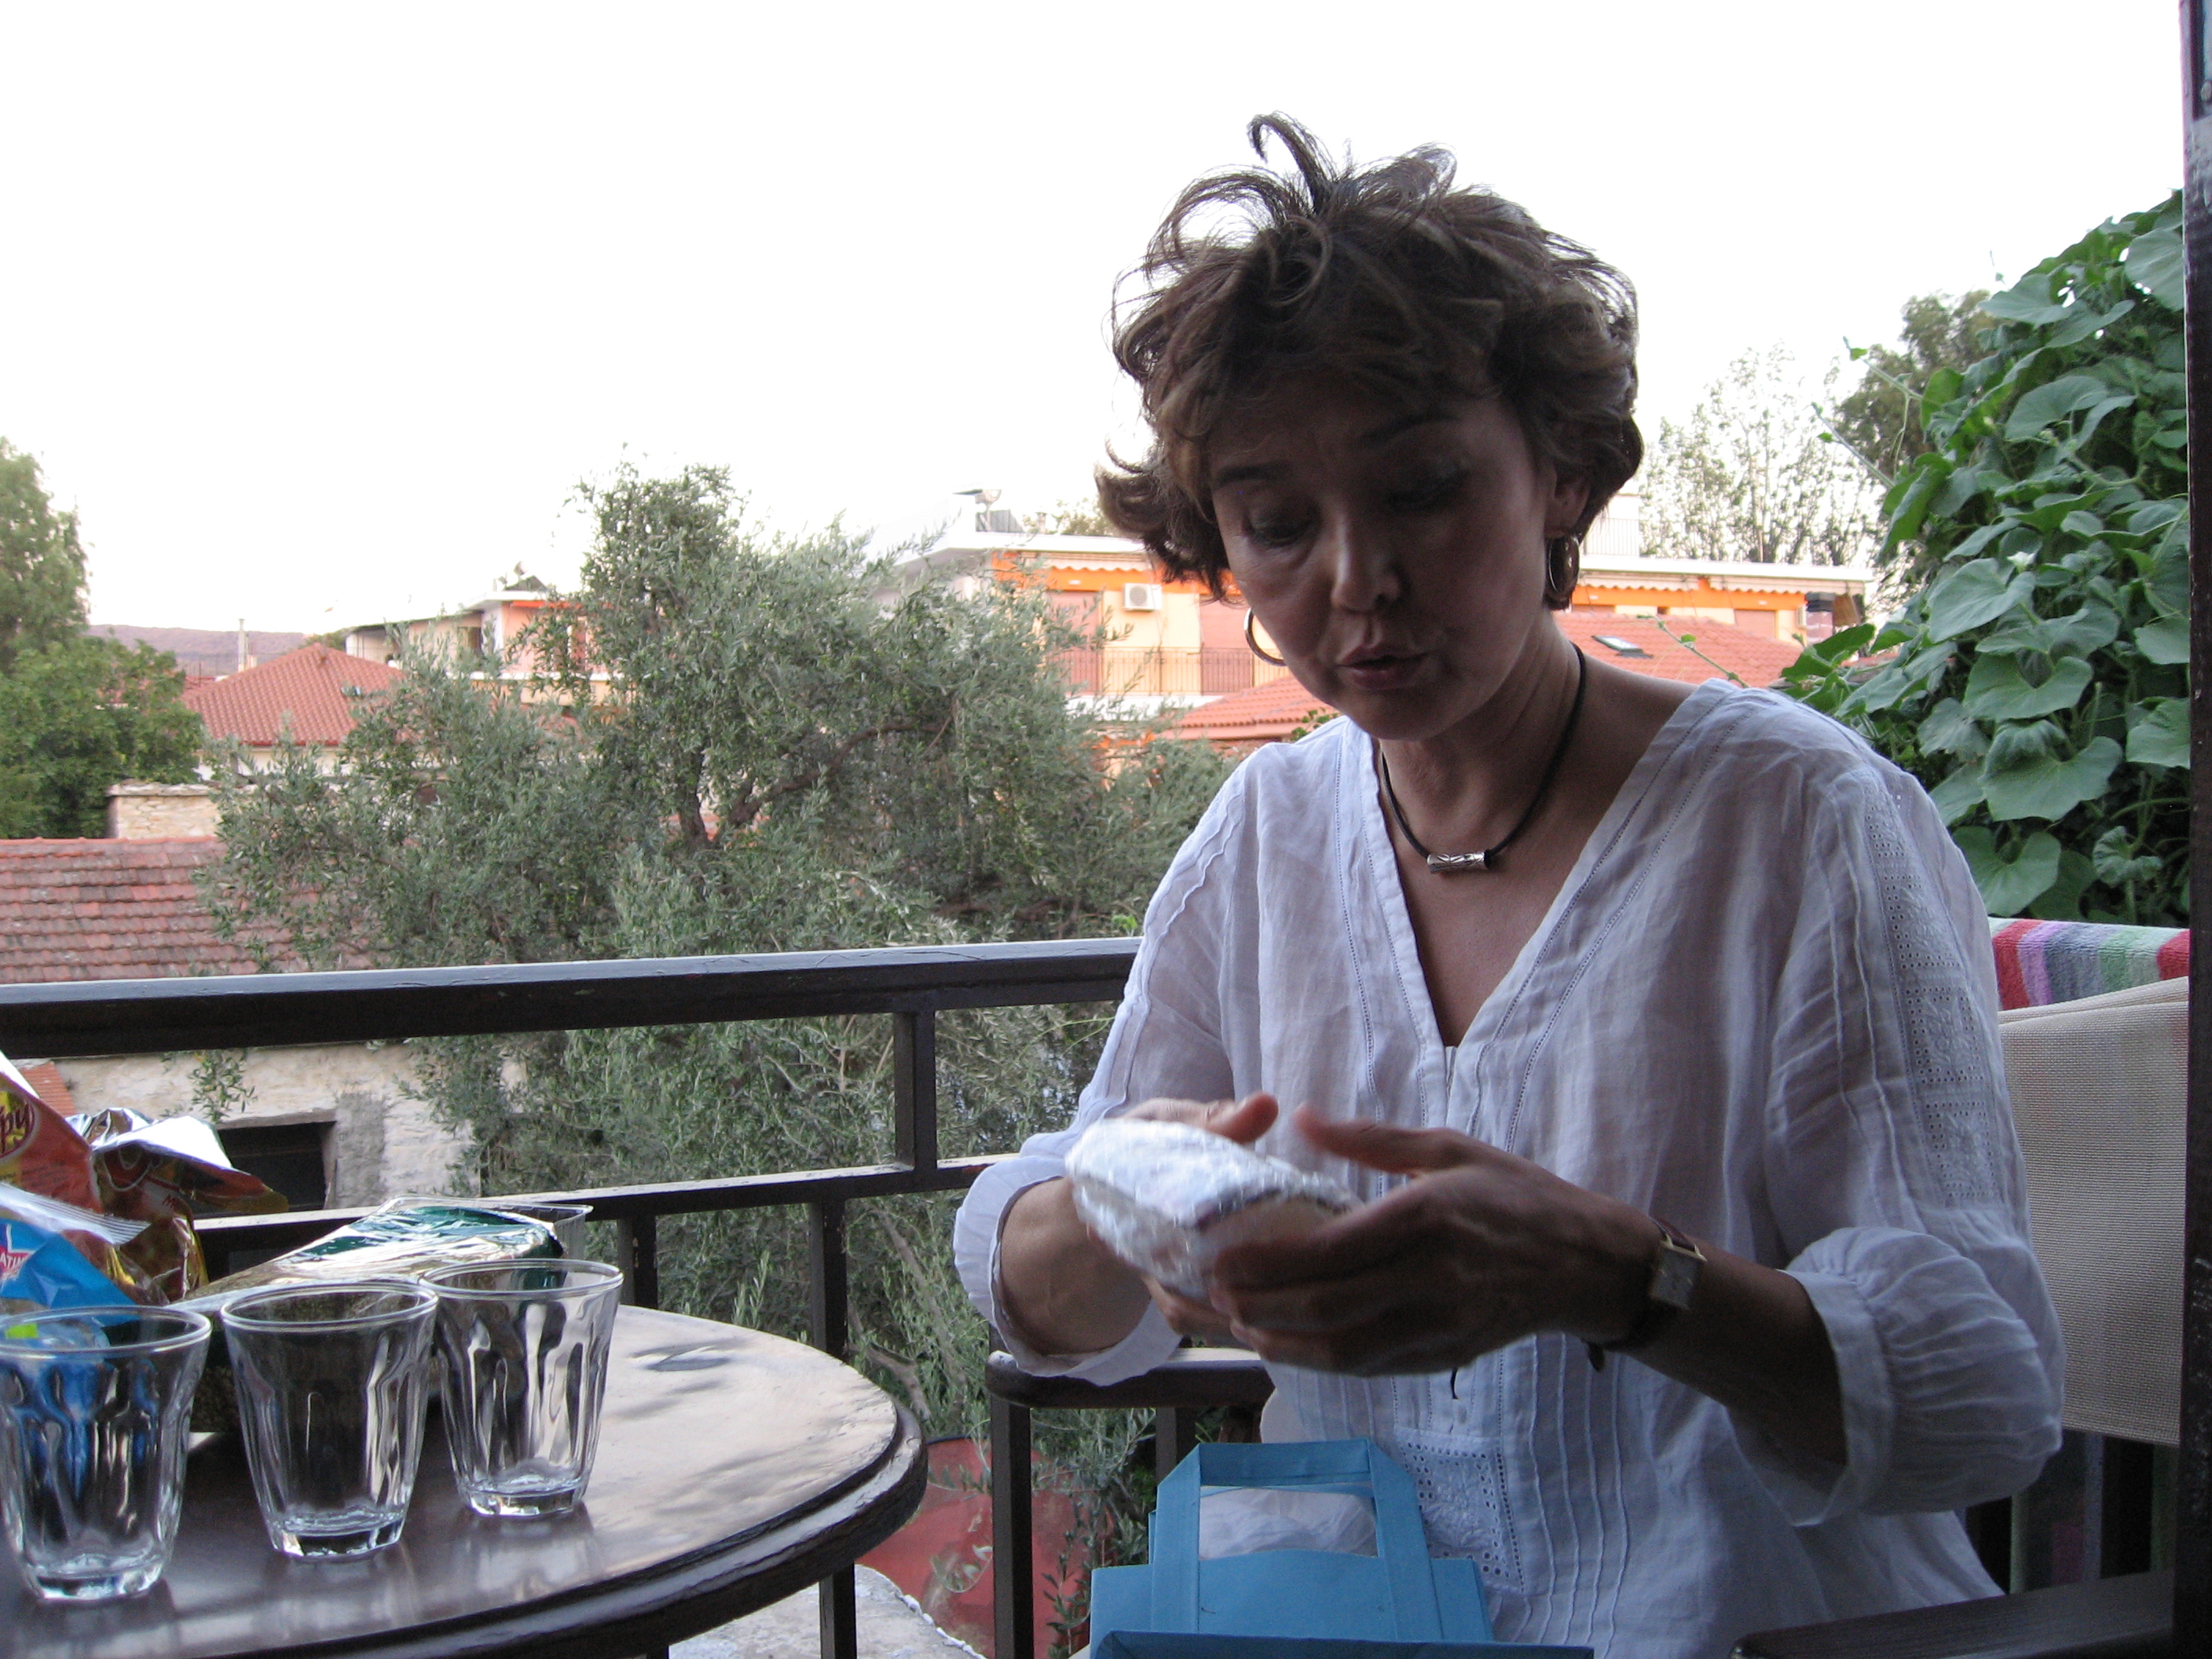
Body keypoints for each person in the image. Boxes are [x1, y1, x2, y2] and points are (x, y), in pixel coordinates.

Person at [952, 115, 2061, 1659]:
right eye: (1278, 524)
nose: (1356, 580)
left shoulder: (1801, 824)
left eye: (1422, 488)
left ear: (1562, 477)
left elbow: (1981, 1395)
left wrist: (1615, 1277)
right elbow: (1034, 1289)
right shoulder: (1268, 834)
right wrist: (1126, 1199)